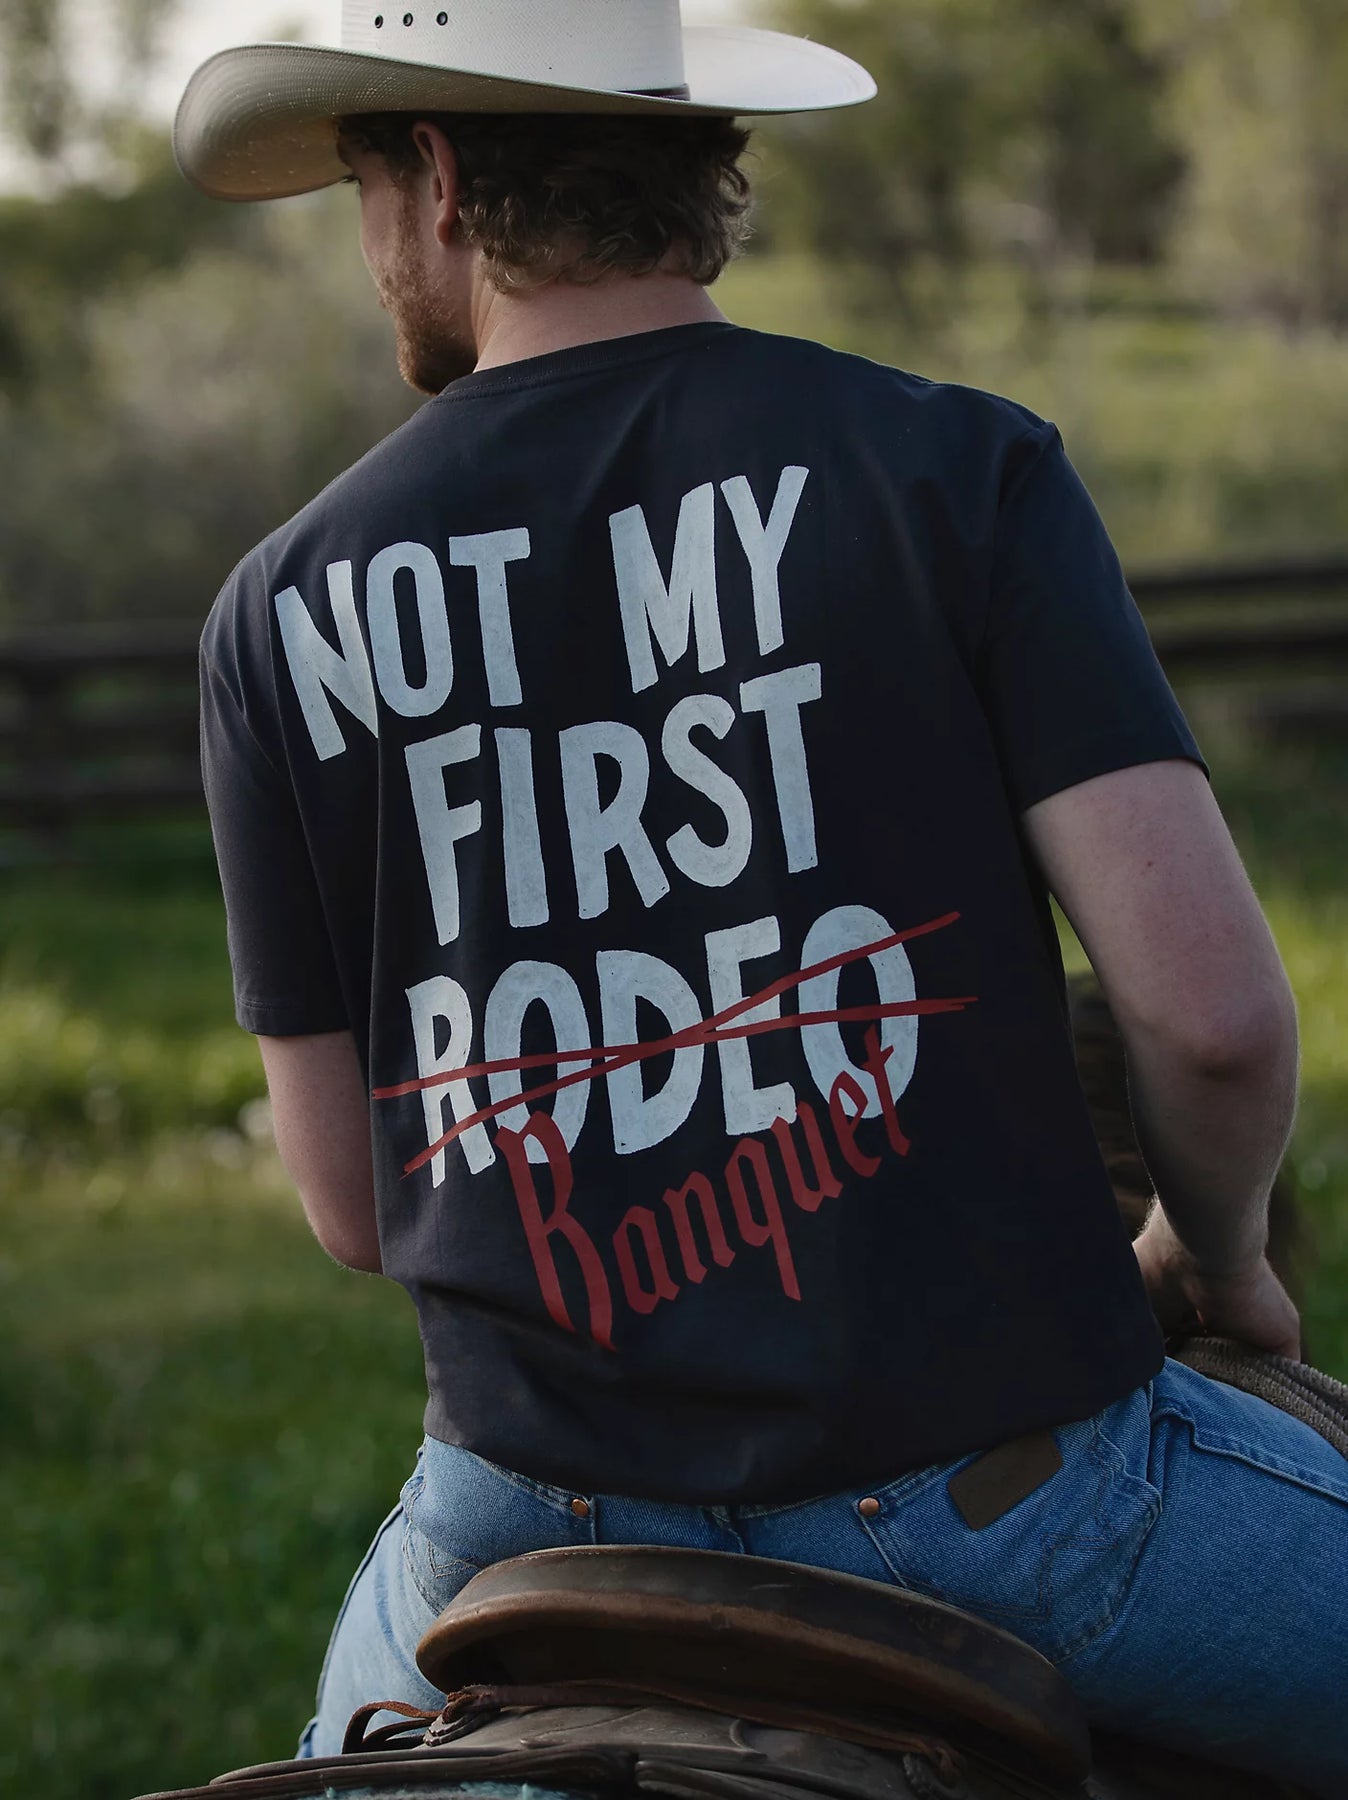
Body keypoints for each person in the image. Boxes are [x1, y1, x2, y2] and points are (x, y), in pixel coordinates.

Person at [177, 3, 1348, 1790]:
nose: (369, 242)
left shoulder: (279, 610)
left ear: (439, 178)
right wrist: (1218, 1253)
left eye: (358, 183)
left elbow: (352, 1201)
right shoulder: (956, 470)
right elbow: (1210, 1021)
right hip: (1009, 1502)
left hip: (520, 1528)